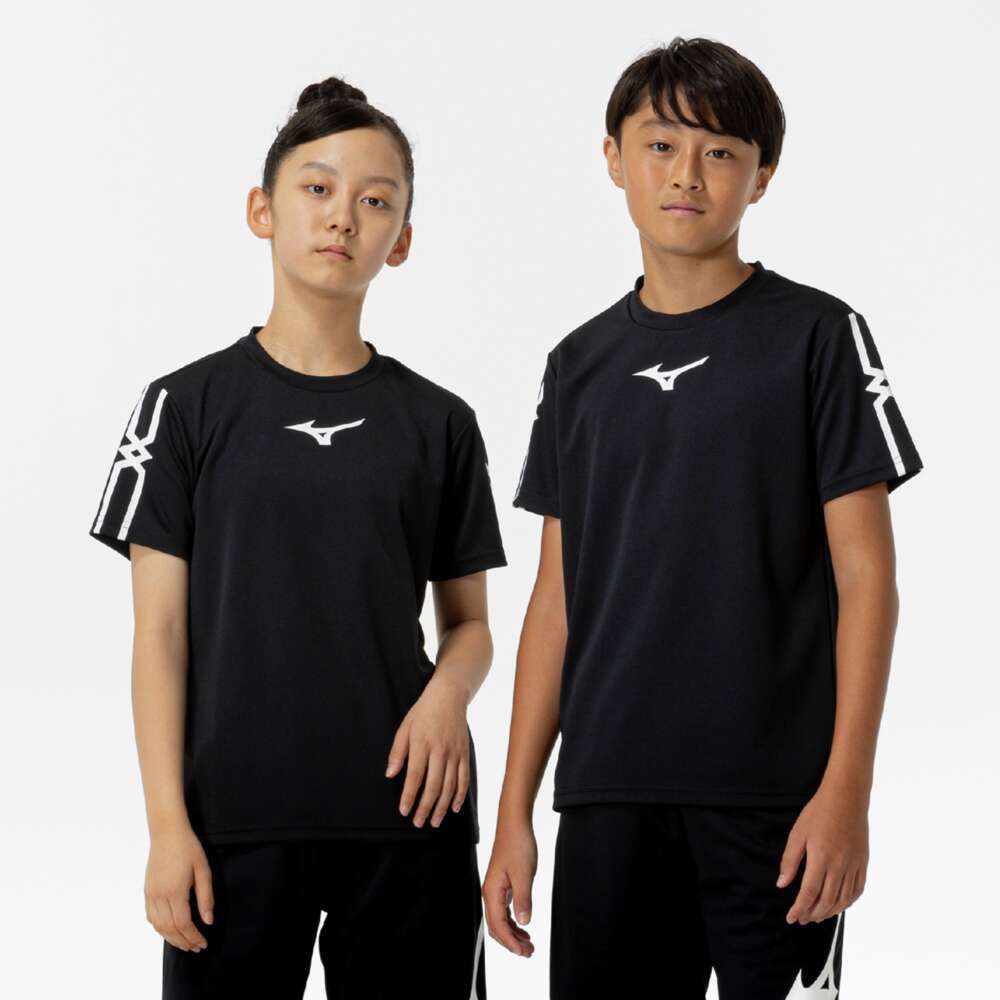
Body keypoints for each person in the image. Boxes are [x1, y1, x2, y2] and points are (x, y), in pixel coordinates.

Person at [484, 37, 923, 999]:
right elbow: (556, 600)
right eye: (662, 145)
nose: (688, 174)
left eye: (721, 151)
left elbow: (868, 579)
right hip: (607, 797)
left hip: (776, 804)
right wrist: (514, 809)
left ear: (761, 177)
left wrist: (846, 790)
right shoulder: (578, 365)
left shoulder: (818, 336)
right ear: (614, 159)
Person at [89, 76, 504, 999]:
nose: (343, 217)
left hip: (411, 817)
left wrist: (448, 697)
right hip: (233, 825)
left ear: (402, 241)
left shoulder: (439, 422)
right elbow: (159, 634)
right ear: (262, 210)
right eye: (317, 188)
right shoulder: (182, 407)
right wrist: (167, 827)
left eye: (376, 201)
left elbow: (471, 626)